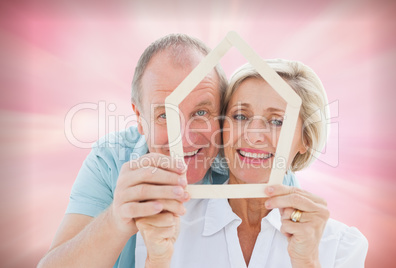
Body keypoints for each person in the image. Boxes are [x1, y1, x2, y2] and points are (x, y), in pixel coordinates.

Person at [38, 35, 299, 267]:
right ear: (140, 118)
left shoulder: (253, 166)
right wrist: (116, 219)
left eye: (201, 112)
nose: (184, 138)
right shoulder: (109, 161)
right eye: (164, 115)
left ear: (222, 113)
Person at [135, 59, 368, 267]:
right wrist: (157, 261)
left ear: (305, 139)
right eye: (240, 116)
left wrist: (307, 262)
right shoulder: (167, 226)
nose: (253, 135)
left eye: (277, 121)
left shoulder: (341, 246)